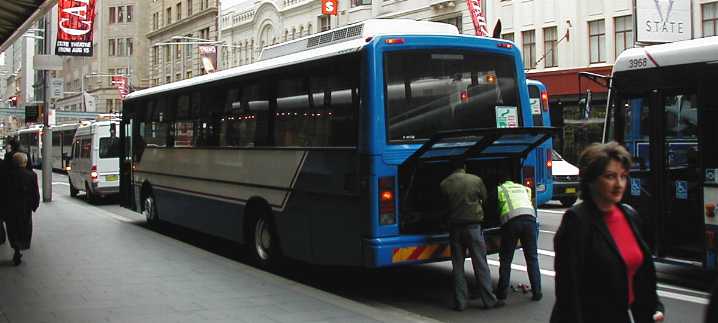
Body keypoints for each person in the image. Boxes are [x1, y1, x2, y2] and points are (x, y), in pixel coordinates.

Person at [551, 142, 665, 323]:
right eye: (610, 176)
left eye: (623, 176)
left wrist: (654, 307)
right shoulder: (577, 221)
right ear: (591, 180)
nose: (619, 184)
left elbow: (639, 274)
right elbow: (568, 292)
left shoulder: (629, 215)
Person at [440, 158, 503, 311]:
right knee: (480, 263)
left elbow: (443, 206)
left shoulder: (445, 184)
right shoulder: (475, 180)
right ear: (464, 166)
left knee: (458, 266)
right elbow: (485, 199)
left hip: (455, 229)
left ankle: (460, 302)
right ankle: (488, 300)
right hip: (473, 227)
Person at [495, 175, 541, 301]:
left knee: (506, 259)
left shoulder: (500, 189)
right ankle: (537, 292)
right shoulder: (523, 188)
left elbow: (495, 208)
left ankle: (502, 293)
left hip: (512, 223)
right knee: (532, 258)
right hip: (530, 220)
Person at [5, 152, 40, 266]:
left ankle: (15, 247)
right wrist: (34, 206)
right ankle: (20, 246)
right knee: (24, 228)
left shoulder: (7, 175)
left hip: (10, 207)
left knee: (12, 228)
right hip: (25, 208)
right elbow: (35, 193)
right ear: (25, 163)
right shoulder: (32, 175)